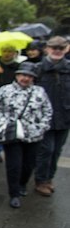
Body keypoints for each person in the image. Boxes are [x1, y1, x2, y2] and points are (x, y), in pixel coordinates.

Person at [0, 62, 52, 208]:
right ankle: (14, 193)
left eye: (29, 76)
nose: (25, 78)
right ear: (17, 75)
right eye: (23, 75)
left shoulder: (39, 91)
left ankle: (22, 184)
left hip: (33, 135)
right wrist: (3, 122)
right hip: (12, 134)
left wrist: (42, 127)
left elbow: (47, 111)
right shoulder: (5, 90)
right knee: (14, 165)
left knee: (29, 164)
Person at [33, 36, 70, 196]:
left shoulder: (68, 69)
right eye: (54, 47)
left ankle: (49, 178)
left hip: (65, 117)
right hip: (44, 118)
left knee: (57, 150)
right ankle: (41, 180)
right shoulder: (38, 68)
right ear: (47, 48)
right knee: (46, 150)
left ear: (66, 49)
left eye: (60, 48)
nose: (57, 51)